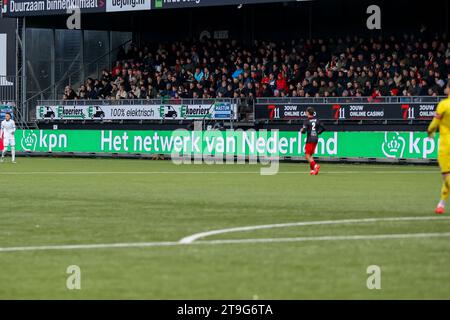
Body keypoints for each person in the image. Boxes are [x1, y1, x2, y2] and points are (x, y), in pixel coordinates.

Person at [427, 82, 450, 214]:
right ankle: (441, 204)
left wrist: (430, 132)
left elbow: (434, 123)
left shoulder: (444, 104)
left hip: (446, 145)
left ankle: (441, 204)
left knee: (446, 176)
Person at [301, 107, 325, 175]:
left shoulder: (306, 121)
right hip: (315, 138)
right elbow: (324, 128)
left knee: (307, 156)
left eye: (306, 112)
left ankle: (315, 166)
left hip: (310, 139)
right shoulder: (317, 120)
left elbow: (304, 131)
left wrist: (301, 130)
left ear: (308, 112)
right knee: (310, 155)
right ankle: (312, 170)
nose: (306, 113)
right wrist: (318, 132)